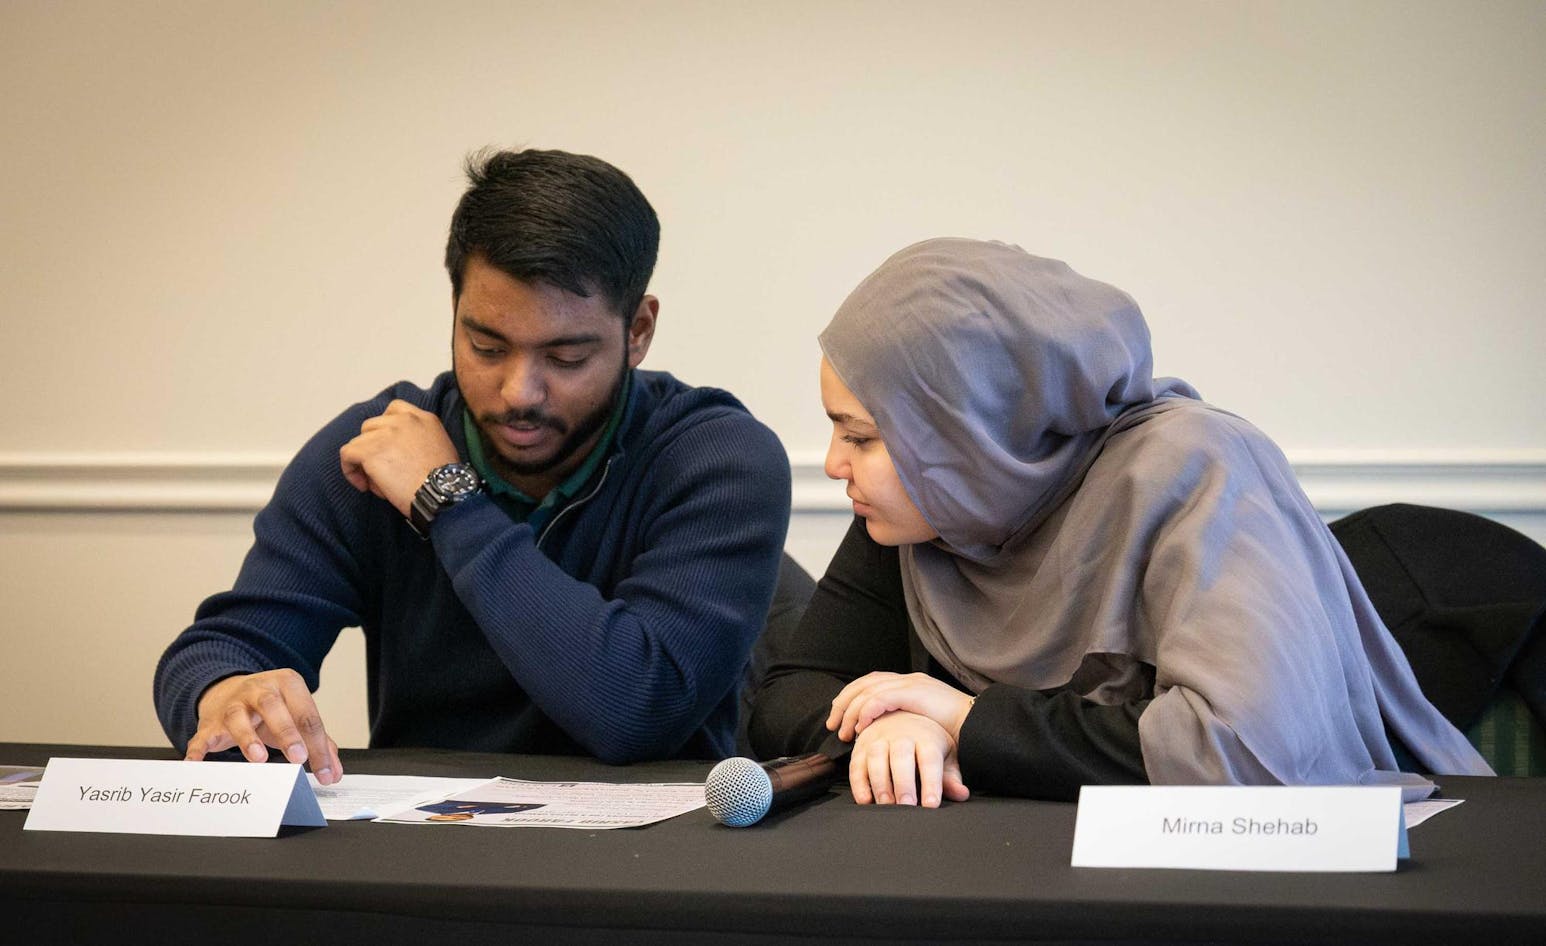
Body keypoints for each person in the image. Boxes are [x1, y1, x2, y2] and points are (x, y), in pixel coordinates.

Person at [747, 238, 1491, 807]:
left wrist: (968, 723)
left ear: (967, 430)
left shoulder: (1196, 470)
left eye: (863, 437)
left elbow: (1243, 752)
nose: (835, 464)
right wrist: (889, 728)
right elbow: (792, 693)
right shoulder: (942, 507)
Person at [155, 149, 791, 783]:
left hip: (651, 862)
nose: (520, 391)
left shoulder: (719, 462)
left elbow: (637, 708)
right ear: (455, 312)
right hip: (428, 852)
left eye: (566, 357)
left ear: (639, 331)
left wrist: (447, 502)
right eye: (487, 346)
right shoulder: (376, 449)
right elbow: (223, 648)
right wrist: (226, 691)